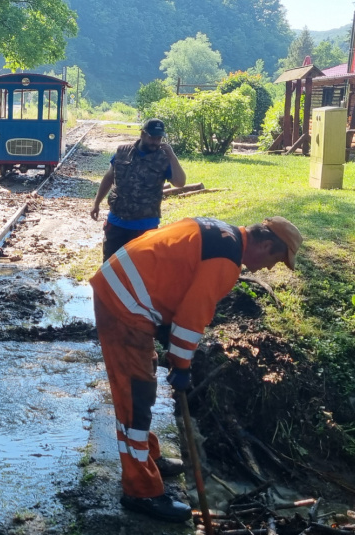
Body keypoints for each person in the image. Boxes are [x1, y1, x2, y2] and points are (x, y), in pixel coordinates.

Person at [89, 216, 303, 522]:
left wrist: (170, 340)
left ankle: (147, 457)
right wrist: (182, 366)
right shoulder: (225, 262)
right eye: (276, 260)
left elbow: (176, 277)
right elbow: (191, 321)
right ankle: (141, 491)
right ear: (266, 245)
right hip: (124, 303)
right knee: (135, 397)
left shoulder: (222, 233)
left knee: (143, 384)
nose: (270, 269)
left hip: (125, 290)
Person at [90, 118, 187, 262]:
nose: (155, 141)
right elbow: (109, 178)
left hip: (145, 227)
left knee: (140, 271)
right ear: (142, 134)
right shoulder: (122, 152)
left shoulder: (163, 158)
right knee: (111, 268)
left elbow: (180, 183)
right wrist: (96, 203)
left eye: (159, 138)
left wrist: (172, 156)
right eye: (152, 137)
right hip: (117, 222)